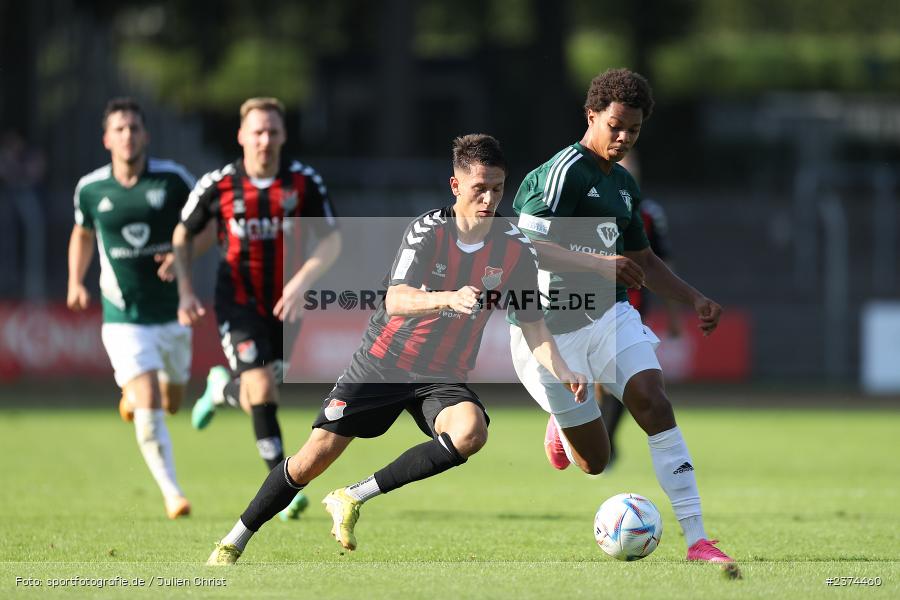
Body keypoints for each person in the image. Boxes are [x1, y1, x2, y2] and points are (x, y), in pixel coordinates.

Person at [204, 133, 587, 565]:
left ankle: (352, 496)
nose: (489, 199)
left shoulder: (515, 246)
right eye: (479, 188)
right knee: (313, 458)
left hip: (442, 375)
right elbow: (395, 299)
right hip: (383, 363)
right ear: (455, 185)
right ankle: (233, 539)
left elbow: (533, 323)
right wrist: (447, 297)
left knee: (471, 432)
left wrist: (563, 369)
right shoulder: (428, 231)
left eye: (497, 189)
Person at [509, 68, 734, 563]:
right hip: (548, 330)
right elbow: (524, 246)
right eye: (615, 126)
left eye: (633, 129)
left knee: (654, 401)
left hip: (608, 314)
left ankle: (697, 540)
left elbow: (644, 261)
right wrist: (598, 262)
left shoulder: (626, 186)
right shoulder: (563, 173)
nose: (624, 138)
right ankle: (563, 424)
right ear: (591, 115)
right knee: (595, 461)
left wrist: (694, 299)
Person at [172, 97, 342, 521]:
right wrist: (185, 291)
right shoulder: (218, 184)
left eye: (272, 131)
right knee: (263, 389)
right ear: (242, 136)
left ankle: (221, 390)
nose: (265, 140)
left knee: (262, 391)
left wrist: (301, 282)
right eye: (257, 132)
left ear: (283, 136)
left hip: (287, 306)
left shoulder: (303, 182)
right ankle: (283, 489)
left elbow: (332, 240)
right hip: (238, 301)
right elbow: (183, 234)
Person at [67, 97, 201, 519]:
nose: (127, 135)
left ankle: (133, 397)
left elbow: (206, 226)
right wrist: (75, 281)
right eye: (119, 129)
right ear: (107, 139)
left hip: (173, 313)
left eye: (134, 128)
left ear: (146, 135)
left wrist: (181, 256)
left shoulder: (173, 180)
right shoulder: (91, 189)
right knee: (150, 403)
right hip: (123, 316)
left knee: (172, 401)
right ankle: (172, 493)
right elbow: (83, 234)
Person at [597, 153, 682, 468]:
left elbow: (662, 264)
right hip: (591, 307)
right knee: (600, 378)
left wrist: (674, 314)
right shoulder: (590, 208)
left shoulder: (649, 213)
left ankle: (605, 441)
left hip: (630, 309)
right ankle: (595, 439)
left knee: (625, 378)